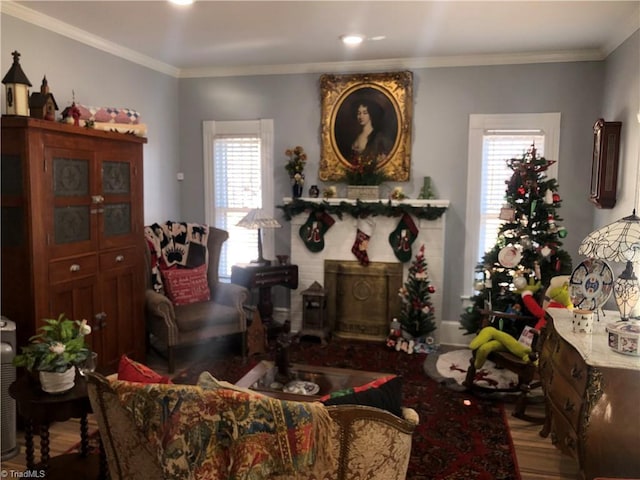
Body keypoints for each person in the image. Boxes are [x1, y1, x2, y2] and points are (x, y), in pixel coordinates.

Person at [342, 98, 393, 165]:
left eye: (365, 113)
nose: (361, 116)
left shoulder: (379, 137)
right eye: (359, 113)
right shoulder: (356, 135)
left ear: (371, 114)